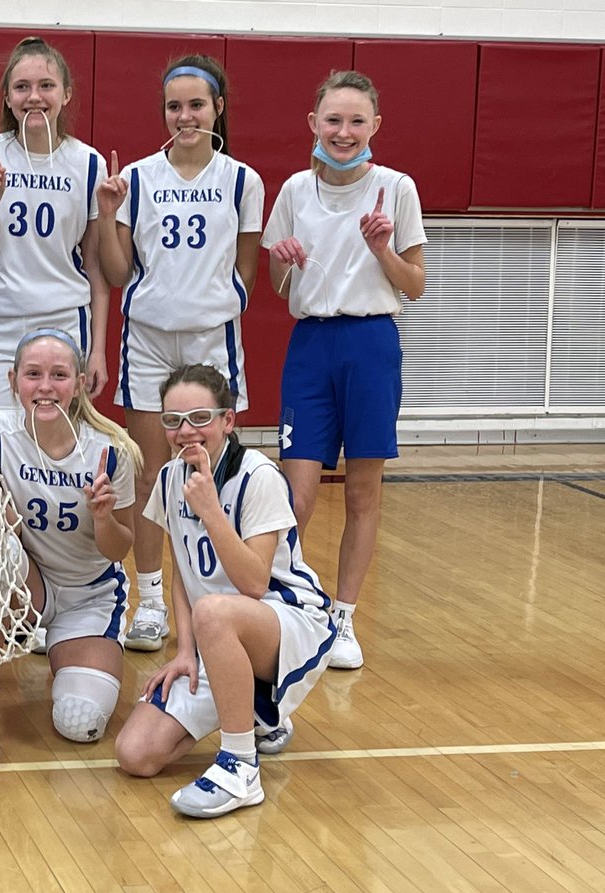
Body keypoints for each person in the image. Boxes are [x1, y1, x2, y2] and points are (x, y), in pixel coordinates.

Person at [96, 55, 264, 654]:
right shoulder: (136, 178)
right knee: (148, 471)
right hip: (147, 335)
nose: (185, 115)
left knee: (210, 470)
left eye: (197, 104)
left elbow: (246, 265)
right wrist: (108, 215)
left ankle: (213, 593)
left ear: (218, 108)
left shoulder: (243, 180)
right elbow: (117, 271)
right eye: (174, 106)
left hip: (209, 339)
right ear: (163, 112)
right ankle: (147, 599)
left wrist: (220, 299)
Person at [114, 364, 334, 819]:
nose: (184, 431)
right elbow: (183, 571)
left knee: (213, 611)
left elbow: (254, 583)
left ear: (228, 421)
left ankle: (240, 766)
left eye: (200, 418)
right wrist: (184, 651)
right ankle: (257, 713)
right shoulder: (172, 477)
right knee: (135, 754)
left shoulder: (259, 476)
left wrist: (212, 511)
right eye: (172, 420)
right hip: (217, 631)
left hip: (286, 618)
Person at [263, 70, 426, 669]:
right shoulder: (294, 192)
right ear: (314, 124)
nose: (344, 131)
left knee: (362, 490)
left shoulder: (396, 189)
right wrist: (282, 262)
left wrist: (382, 249)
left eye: (357, 121)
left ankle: (344, 617)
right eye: (333, 120)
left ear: (375, 127)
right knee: (294, 496)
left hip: (371, 343)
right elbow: (281, 287)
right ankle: (291, 602)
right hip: (311, 345)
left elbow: (415, 286)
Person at [0, 329, 140, 763]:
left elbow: (120, 550)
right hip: (29, 584)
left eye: (59, 375)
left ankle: (68, 651)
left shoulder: (112, 451)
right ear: (13, 380)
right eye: (33, 374)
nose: (45, 386)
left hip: (88, 596)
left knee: (79, 722)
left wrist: (103, 517)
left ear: (79, 383)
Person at [0, 37, 109, 426]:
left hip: (63, 320)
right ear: (7, 98)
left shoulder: (88, 163)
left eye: (46, 86)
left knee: (56, 447)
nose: (34, 97)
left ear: (67, 93)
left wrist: (98, 350)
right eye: (22, 87)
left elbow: (95, 267)